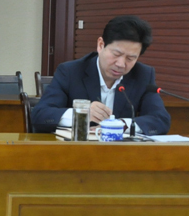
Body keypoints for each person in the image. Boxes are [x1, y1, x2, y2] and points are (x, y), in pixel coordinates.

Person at [31, 15, 170, 135]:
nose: (121, 64)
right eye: (116, 54)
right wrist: (81, 114)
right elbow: (40, 115)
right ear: (101, 45)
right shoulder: (70, 72)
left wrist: (121, 125)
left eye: (130, 58)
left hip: (122, 154)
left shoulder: (143, 75)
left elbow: (161, 120)